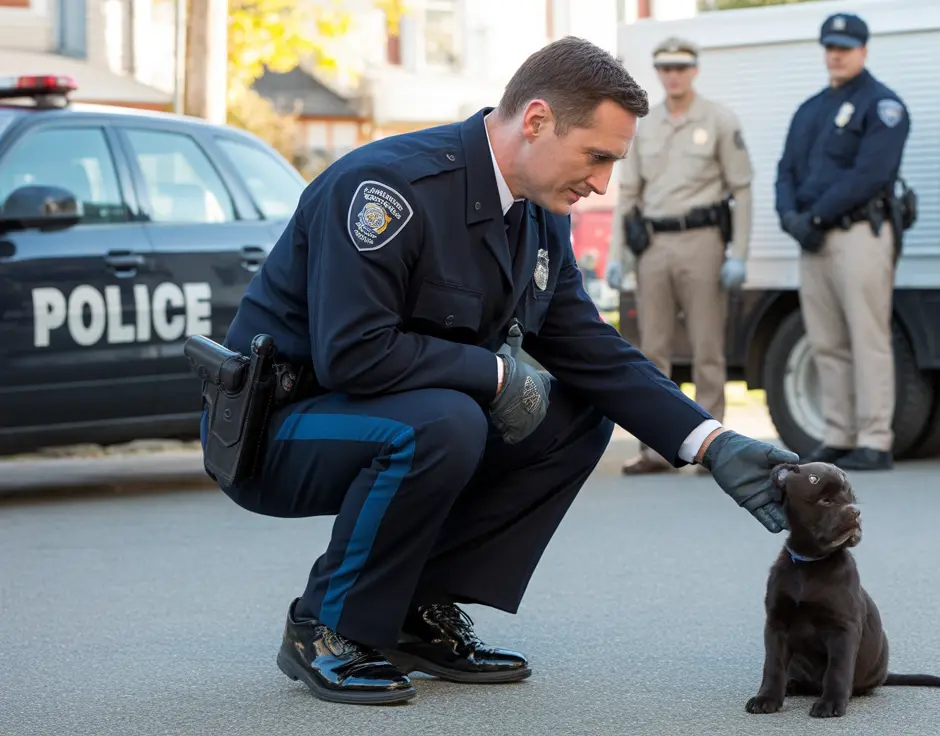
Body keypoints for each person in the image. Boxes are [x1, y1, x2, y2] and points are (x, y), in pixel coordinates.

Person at [202, 36, 798, 706]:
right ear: (538, 120)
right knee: (445, 421)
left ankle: (414, 609)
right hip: (284, 430)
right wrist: (491, 374)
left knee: (575, 416)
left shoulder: (539, 216)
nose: (603, 183)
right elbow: (354, 353)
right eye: (597, 156)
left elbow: (589, 348)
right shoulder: (389, 189)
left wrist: (713, 444)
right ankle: (326, 625)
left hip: (399, 415)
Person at [605, 36, 754, 476]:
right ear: (658, 72)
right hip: (653, 244)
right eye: (665, 67)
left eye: (680, 67)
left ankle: (714, 449)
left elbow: (741, 189)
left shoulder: (719, 120)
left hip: (702, 240)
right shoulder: (642, 125)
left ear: (694, 70)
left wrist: (738, 253)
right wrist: (619, 254)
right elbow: (629, 192)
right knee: (653, 350)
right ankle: (655, 447)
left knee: (708, 348)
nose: (673, 75)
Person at [773, 12, 911, 472]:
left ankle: (874, 437)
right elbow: (786, 170)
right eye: (830, 47)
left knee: (867, 338)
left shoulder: (883, 106)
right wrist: (791, 219)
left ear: (864, 51)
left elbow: (871, 174)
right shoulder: (811, 108)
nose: (836, 55)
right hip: (813, 240)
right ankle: (839, 433)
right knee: (826, 341)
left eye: (845, 47)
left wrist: (814, 214)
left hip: (858, 237)